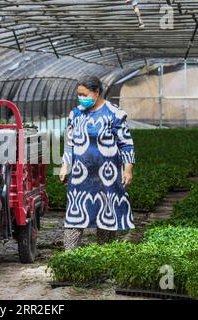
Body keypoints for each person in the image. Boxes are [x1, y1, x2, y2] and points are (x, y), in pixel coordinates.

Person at [59, 76, 135, 251]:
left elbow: (126, 143)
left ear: (96, 92)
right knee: (75, 215)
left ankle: (104, 256)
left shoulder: (114, 113)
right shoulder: (75, 114)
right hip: (80, 176)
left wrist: (128, 169)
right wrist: (65, 165)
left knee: (106, 215)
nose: (80, 98)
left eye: (84, 94)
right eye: (78, 94)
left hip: (107, 176)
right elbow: (70, 143)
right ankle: (70, 256)